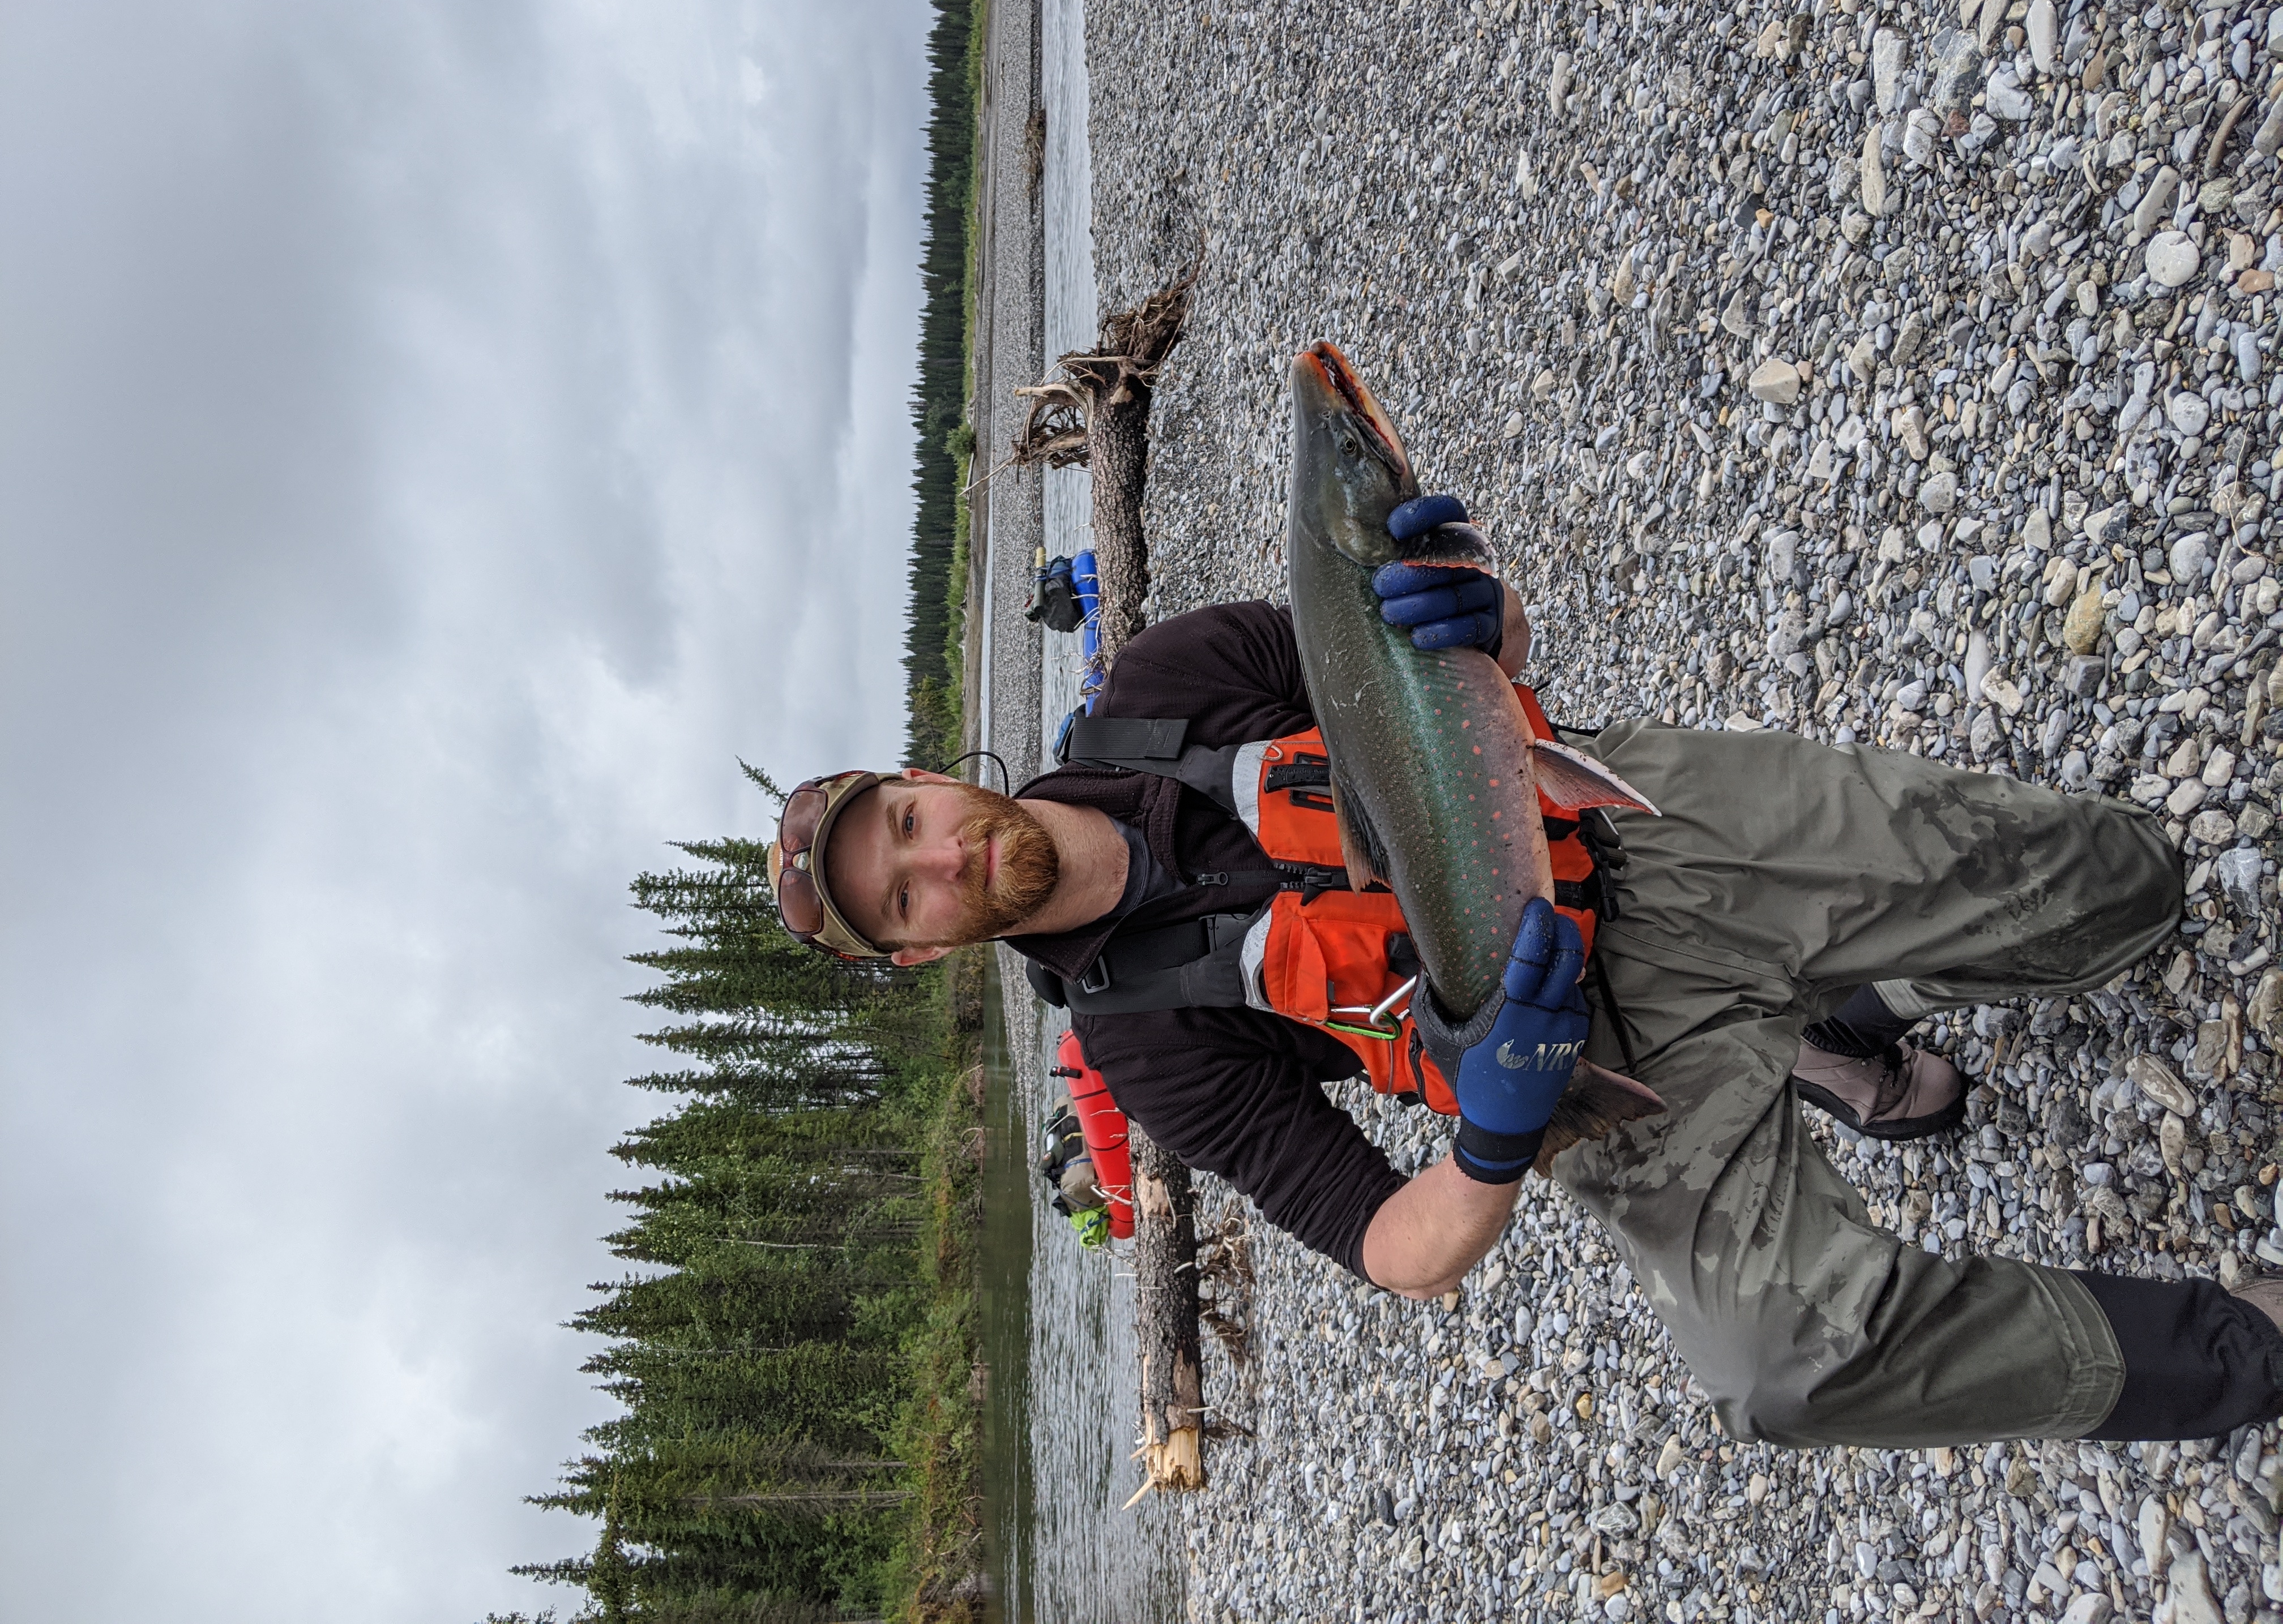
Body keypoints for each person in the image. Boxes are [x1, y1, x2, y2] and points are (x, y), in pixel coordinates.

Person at [767, 491, 2283, 1450]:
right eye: (901, 902)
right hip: (1598, 1082)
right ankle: (2237, 1356)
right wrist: (1489, 1139)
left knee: (2122, 885)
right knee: (1791, 1375)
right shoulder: (1149, 1051)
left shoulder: (1168, 682)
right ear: (917, 953)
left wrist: (1472, 605)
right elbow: (1397, 1247)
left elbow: (1462, 652)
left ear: (923, 779)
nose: (942, 864)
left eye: (908, 827)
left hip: (1643, 838)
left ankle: (1839, 1029)